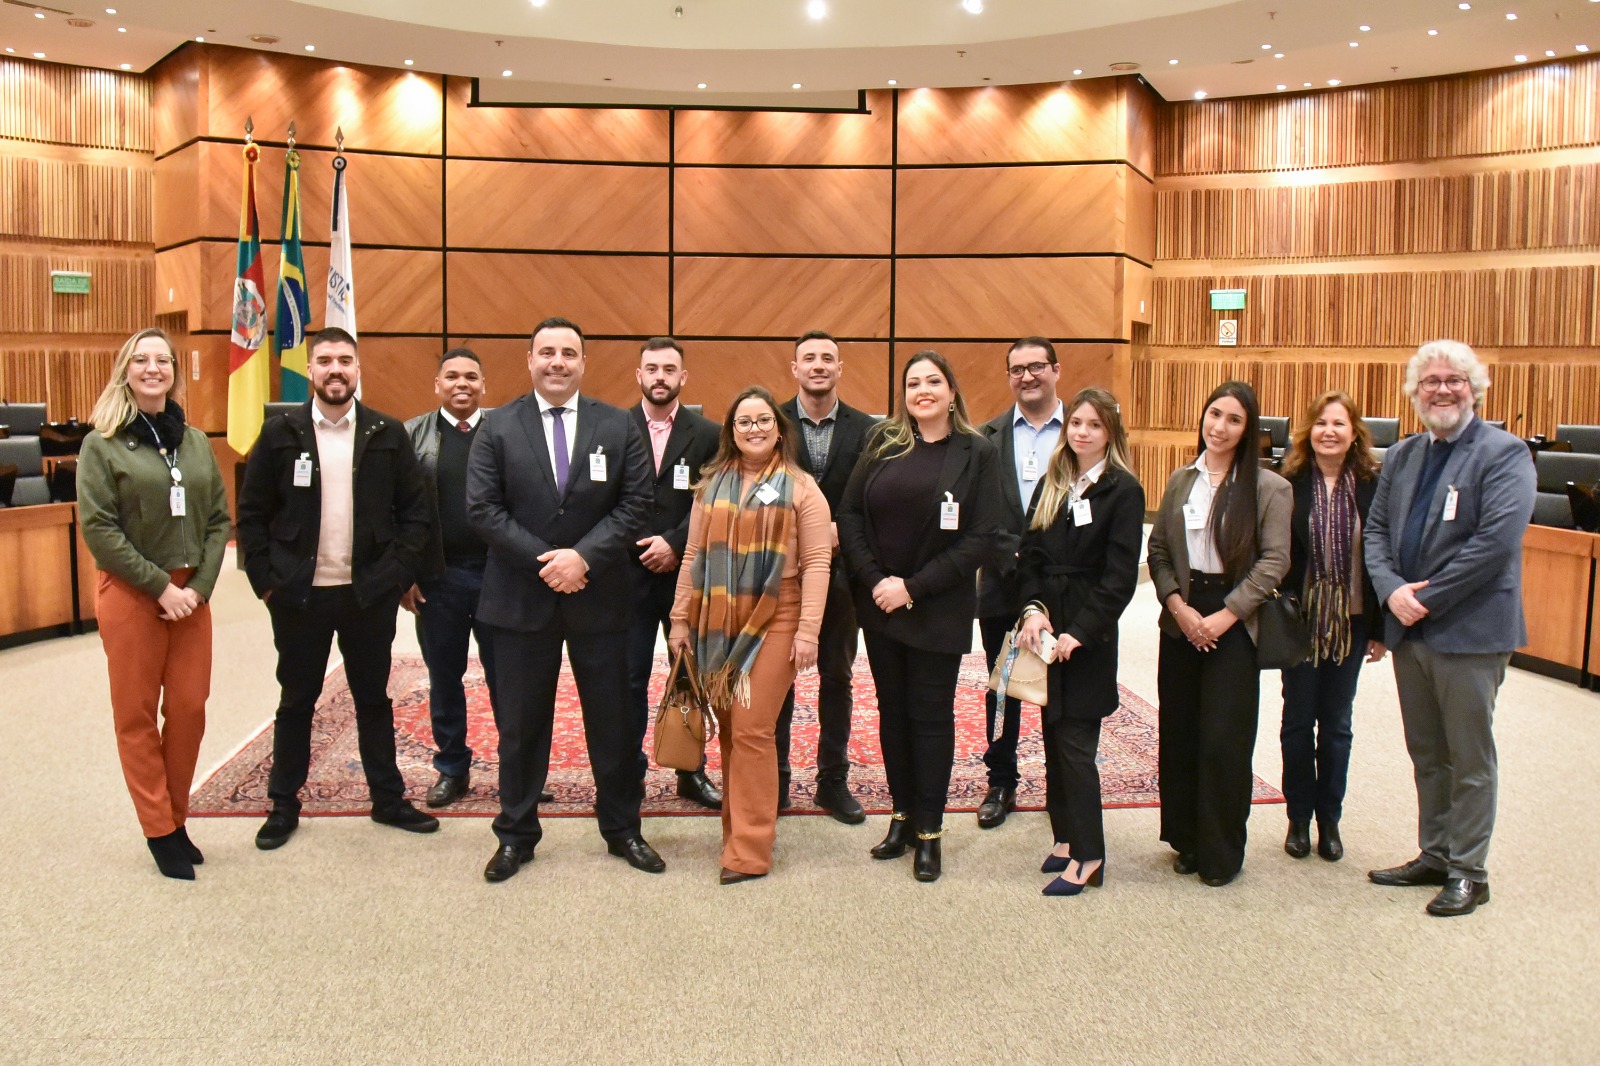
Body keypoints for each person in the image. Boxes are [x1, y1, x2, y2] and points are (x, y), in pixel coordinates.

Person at [467, 316, 658, 883]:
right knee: (522, 726)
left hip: (602, 597)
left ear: (583, 362)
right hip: (521, 599)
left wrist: (582, 558)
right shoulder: (497, 425)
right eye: (546, 352)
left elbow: (637, 503)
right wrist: (549, 563)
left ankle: (623, 829)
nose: (557, 362)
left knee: (614, 722)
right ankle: (517, 835)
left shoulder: (618, 424)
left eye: (568, 353)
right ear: (529, 361)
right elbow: (482, 509)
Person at [238, 326, 439, 850]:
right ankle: (283, 805)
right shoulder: (280, 433)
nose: (335, 370)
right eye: (324, 360)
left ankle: (387, 799)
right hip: (298, 595)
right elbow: (252, 515)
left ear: (358, 370)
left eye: (345, 361)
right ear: (310, 370)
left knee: (373, 698)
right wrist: (266, 582)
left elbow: (415, 515)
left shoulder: (386, 434)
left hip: (367, 593)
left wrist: (396, 573)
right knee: (297, 699)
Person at [1364, 340, 1535, 917]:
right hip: (1412, 631)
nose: (1442, 389)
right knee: (1427, 750)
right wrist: (1391, 591)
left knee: (1468, 755)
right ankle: (1435, 853)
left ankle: (1469, 870)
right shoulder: (1404, 454)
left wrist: (1425, 599)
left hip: (1471, 631)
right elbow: (1376, 534)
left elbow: (1495, 544)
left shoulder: (1505, 453)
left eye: (1454, 380)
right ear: (1415, 394)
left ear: (1474, 388)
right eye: (1430, 381)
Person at [838, 350, 1009, 883]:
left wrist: (911, 588)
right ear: (904, 395)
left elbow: (982, 537)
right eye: (913, 383)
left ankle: (930, 833)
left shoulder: (977, 452)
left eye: (933, 381)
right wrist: (876, 583)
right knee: (892, 714)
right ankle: (903, 817)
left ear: (951, 391)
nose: (922, 391)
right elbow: (849, 515)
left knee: (930, 718)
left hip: (936, 607)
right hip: (881, 606)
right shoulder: (882, 443)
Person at [78, 328, 231, 880]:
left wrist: (199, 588)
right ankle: (159, 828)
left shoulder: (192, 441)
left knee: (189, 709)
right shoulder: (103, 443)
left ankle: (177, 814)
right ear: (126, 371)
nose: (152, 368)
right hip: (133, 593)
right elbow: (99, 529)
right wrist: (159, 587)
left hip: (192, 596)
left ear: (173, 371)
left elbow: (218, 520)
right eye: (140, 360)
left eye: (161, 360)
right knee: (137, 716)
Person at [668, 387, 832, 883]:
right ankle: (734, 835)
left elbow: (819, 563)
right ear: (731, 431)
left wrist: (809, 631)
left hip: (776, 618)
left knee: (755, 730)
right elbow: (693, 554)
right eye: (744, 422)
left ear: (779, 429)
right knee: (733, 736)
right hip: (717, 621)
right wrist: (679, 619)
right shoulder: (711, 484)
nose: (754, 428)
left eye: (763, 420)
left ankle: (751, 850)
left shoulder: (803, 488)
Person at [1146, 380, 1291, 887]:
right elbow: (1159, 551)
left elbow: (1275, 562)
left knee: (1223, 741)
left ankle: (1221, 851)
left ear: (1248, 429)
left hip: (1234, 621)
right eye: (1214, 414)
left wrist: (1224, 616)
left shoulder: (1269, 488)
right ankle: (1187, 840)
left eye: (1233, 419)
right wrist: (1180, 609)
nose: (1220, 427)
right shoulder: (1181, 479)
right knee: (1181, 733)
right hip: (1183, 618)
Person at [1014, 387, 1144, 896]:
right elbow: (1030, 555)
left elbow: (1119, 579)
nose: (1082, 432)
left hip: (1087, 630)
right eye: (1077, 424)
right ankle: (1065, 837)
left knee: (1075, 744)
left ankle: (1090, 855)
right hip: (1046, 626)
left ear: (1109, 433)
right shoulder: (1054, 481)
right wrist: (1032, 610)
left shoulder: (1123, 490)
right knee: (1051, 736)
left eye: (1093, 424)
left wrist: (1080, 632)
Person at [1277, 391, 1386, 864]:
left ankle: (1330, 819)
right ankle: (1298, 817)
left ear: (1354, 433)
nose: (1329, 432)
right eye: (1321, 423)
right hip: (1300, 622)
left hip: (1354, 621)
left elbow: (1382, 557)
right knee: (1298, 722)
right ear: (1309, 431)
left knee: (1337, 725)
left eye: (1339, 424)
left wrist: (1383, 628)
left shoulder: (1372, 485)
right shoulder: (1289, 481)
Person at [776, 330, 875, 822]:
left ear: (840, 368)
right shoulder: (769, 421)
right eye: (808, 358)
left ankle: (832, 780)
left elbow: (875, 498)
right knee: (778, 678)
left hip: (844, 573)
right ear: (794, 368)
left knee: (837, 676)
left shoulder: (867, 429)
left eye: (827, 359)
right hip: (782, 573)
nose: (818, 365)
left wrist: (842, 534)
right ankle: (775, 780)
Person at [628, 337, 723, 809]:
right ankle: (629, 772)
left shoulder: (708, 433)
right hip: (624, 575)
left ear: (683, 377)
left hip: (686, 575)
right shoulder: (613, 427)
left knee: (688, 675)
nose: (660, 376)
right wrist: (642, 544)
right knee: (625, 677)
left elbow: (711, 498)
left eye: (669, 369)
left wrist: (674, 542)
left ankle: (691, 771)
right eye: (652, 368)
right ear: (638, 376)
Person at [401, 348, 499, 809]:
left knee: (510, 678)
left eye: (471, 377)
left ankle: (519, 769)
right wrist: (406, 572)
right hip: (437, 578)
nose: (462, 384)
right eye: (452, 377)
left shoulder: (507, 430)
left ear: (484, 385)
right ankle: (452, 768)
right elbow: (397, 510)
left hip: (500, 576)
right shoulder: (412, 435)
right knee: (445, 675)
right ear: (437, 384)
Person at [976, 336, 1064, 829]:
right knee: (1001, 685)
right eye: (1017, 369)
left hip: (1063, 584)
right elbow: (979, 508)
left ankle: (1061, 781)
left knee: (1062, 685)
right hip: (1002, 581)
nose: (1027, 377)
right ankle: (1001, 780)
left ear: (1056, 370)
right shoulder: (987, 436)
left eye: (1036, 367)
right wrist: (1009, 551)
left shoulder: (1084, 429)